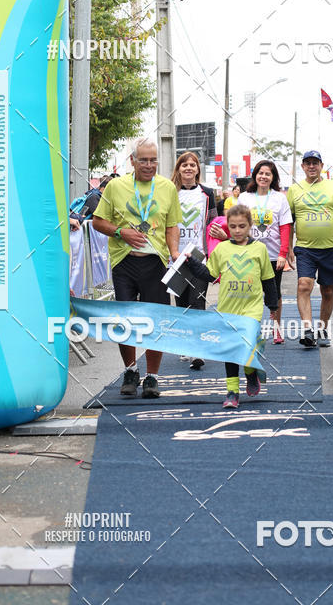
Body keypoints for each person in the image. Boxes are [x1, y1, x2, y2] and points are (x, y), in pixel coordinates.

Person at [92, 139, 182, 399]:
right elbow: (98, 221)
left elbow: (172, 226)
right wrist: (121, 232)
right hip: (124, 262)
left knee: (156, 320)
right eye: (143, 160)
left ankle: (152, 376)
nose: (149, 165)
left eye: (153, 160)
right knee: (124, 320)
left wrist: (174, 252)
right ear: (132, 160)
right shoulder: (116, 186)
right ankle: (130, 371)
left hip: (155, 263)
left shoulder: (167, 187)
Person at [187, 204, 277, 409]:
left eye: (242, 226)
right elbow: (209, 274)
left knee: (247, 345)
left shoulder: (259, 249)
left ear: (250, 225)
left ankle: (250, 372)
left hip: (251, 309)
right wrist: (192, 262)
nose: (237, 230)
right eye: (233, 226)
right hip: (228, 309)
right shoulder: (222, 249)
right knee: (230, 351)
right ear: (228, 226)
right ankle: (232, 392)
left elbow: (268, 280)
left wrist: (272, 305)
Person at [287, 150, 333, 348]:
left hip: (330, 248)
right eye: (307, 163)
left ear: (321, 166)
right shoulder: (295, 189)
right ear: (302, 166)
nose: (311, 166)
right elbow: (289, 221)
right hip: (305, 248)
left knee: (327, 290)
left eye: (315, 163)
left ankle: (322, 329)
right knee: (304, 285)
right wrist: (288, 247)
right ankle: (308, 330)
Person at [171, 151, 217, 370]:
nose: (188, 168)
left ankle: (198, 350)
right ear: (178, 169)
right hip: (175, 256)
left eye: (192, 165)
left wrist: (216, 243)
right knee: (181, 304)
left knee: (197, 302)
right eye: (184, 165)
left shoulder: (207, 193)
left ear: (198, 169)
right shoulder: (170, 192)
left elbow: (213, 223)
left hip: (199, 255)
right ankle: (185, 343)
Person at [237, 160, 292, 343]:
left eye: (268, 174)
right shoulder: (245, 197)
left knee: (274, 293)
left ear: (273, 177)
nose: (264, 177)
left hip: (273, 255)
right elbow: (238, 224)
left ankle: (277, 329)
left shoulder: (279, 198)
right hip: (249, 254)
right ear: (255, 175)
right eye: (261, 173)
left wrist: (283, 253)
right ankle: (250, 329)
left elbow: (285, 227)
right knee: (249, 292)